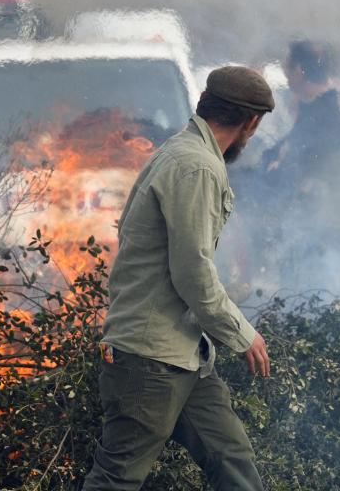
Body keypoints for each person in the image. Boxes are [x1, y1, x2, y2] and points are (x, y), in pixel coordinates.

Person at [83, 66, 274, 491]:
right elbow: (193, 273)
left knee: (232, 462)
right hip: (151, 360)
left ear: (205, 100)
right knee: (117, 478)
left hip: (185, 355)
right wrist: (242, 334)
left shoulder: (182, 153)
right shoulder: (197, 167)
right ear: (251, 123)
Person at [264, 41, 340, 291]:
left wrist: (284, 168)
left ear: (300, 71)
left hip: (323, 227)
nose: (285, 75)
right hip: (311, 226)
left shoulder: (328, 114)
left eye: (288, 68)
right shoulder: (316, 110)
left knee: (316, 300)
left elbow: (308, 162)